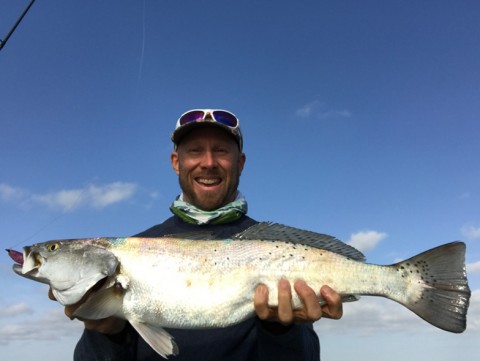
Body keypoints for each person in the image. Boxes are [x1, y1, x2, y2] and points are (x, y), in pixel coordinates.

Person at [53, 109, 343, 360]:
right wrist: (105, 333)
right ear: (176, 162)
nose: (208, 162)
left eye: (220, 150)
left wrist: (281, 328)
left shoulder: (277, 249)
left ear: (240, 163)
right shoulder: (137, 249)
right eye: (194, 151)